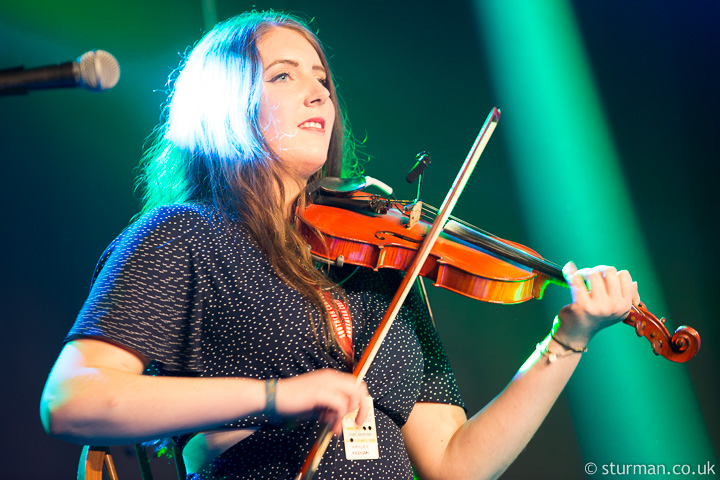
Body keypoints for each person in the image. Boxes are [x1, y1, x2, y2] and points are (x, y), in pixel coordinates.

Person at [40, 10, 640, 480]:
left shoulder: (383, 263)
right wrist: (280, 396)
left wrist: (568, 338)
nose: (319, 93)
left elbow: (455, 463)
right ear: (222, 106)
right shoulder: (183, 235)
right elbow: (71, 400)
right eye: (283, 75)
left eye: (322, 79)